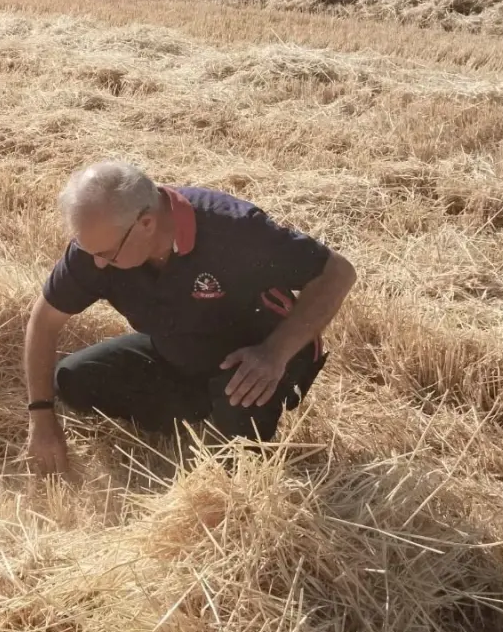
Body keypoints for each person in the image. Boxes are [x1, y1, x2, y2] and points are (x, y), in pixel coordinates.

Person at [23, 160, 357, 475]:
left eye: (106, 254)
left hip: (257, 357)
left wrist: (275, 353)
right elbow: (44, 321)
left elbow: (338, 272)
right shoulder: (98, 244)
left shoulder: (233, 229)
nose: (96, 264)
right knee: (74, 379)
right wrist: (40, 416)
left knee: (238, 420)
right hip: (180, 350)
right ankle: (196, 411)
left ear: (146, 224)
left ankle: (236, 421)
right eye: (89, 251)